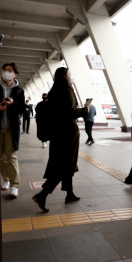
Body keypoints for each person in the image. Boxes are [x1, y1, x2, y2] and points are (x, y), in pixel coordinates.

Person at [32, 67, 89, 213]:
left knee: (66, 165)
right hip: (68, 134)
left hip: (58, 133)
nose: (71, 77)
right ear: (64, 76)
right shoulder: (66, 90)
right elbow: (70, 112)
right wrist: (86, 109)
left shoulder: (54, 91)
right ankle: (42, 195)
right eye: (70, 74)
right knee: (64, 166)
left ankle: (69, 193)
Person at [0, 63, 25, 199]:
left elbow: (22, 108)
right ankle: (6, 180)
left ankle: (15, 185)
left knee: (11, 156)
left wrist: (13, 104)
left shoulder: (19, 90)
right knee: (1, 157)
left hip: (11, 128)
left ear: (15, 74)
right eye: (5, 70)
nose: (6, 73)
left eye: (9, 71)